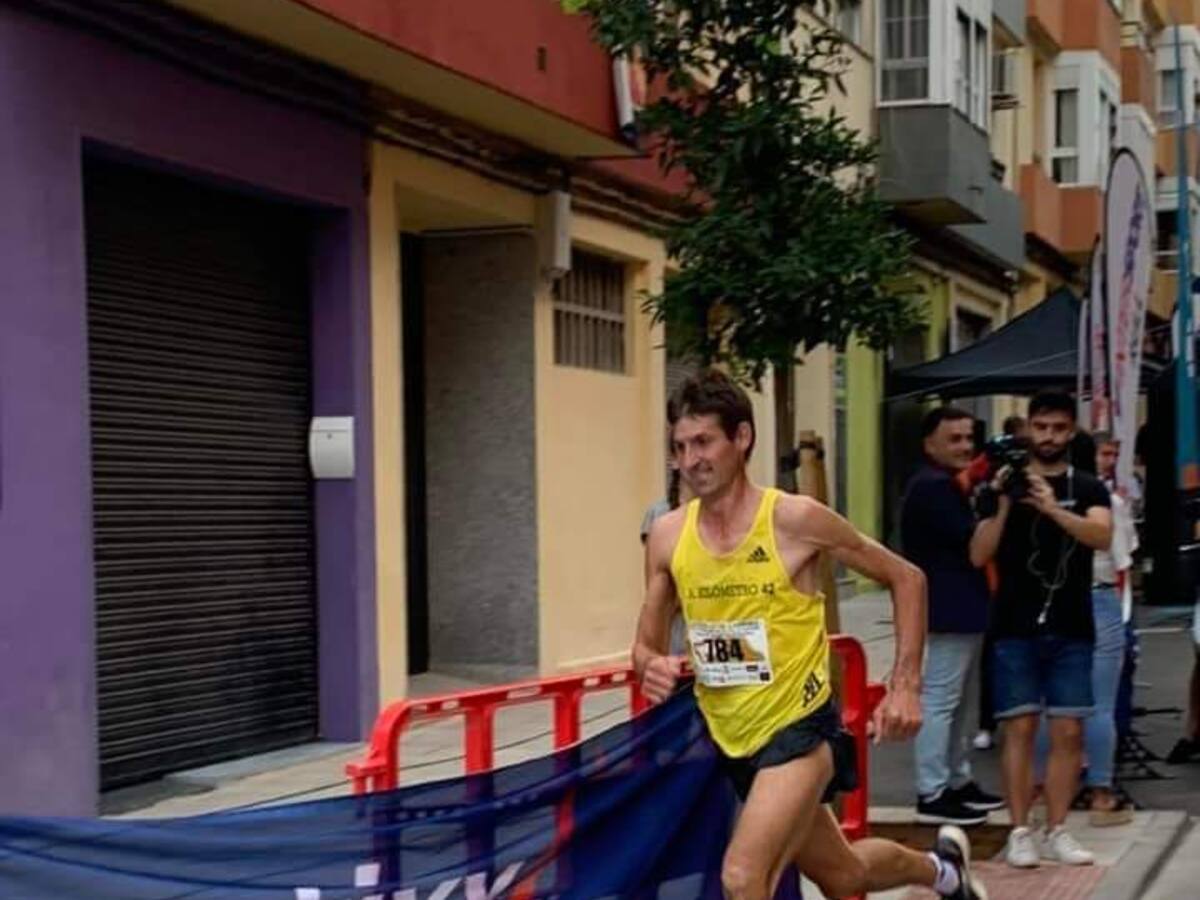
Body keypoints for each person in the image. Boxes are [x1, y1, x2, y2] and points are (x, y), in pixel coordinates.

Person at [634, 370, 987, 900]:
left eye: (704, 441)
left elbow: (906, 577)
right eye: (680, 447)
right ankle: (944, 872)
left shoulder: (793, 520)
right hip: (730, 735)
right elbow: (644, 644)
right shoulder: (667, 536)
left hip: (799, 728)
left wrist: (905, 683)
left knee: (742, 876)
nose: (691, 460)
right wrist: (651, 665)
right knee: (843, 874)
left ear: (742, 438)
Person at [973, 391, 1113, 869]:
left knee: (1069, 730)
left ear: (1071, 431)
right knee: (1019, 728)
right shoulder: (998, 487)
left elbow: (1102, 535)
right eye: (1041, 427)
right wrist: (1006, 504)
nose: (1048, 437)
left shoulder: (1088, 485)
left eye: (1058, 428)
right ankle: (1018, 830)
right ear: (1027, 429)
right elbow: (978, 554)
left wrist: (1053, 508)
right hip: (1013, 623)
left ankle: (1057, 828)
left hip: (1072, 623)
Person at [901, 407, 1004, 826]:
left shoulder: (946, 484)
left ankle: (956, 780)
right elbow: (973, 546)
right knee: (942, 700)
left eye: (967, 438)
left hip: (962, 606)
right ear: (930, 444)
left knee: (958, 701)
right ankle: (933, 789)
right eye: (954, 439)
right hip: (947, 607)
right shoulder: (933, 488)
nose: (964, 446)